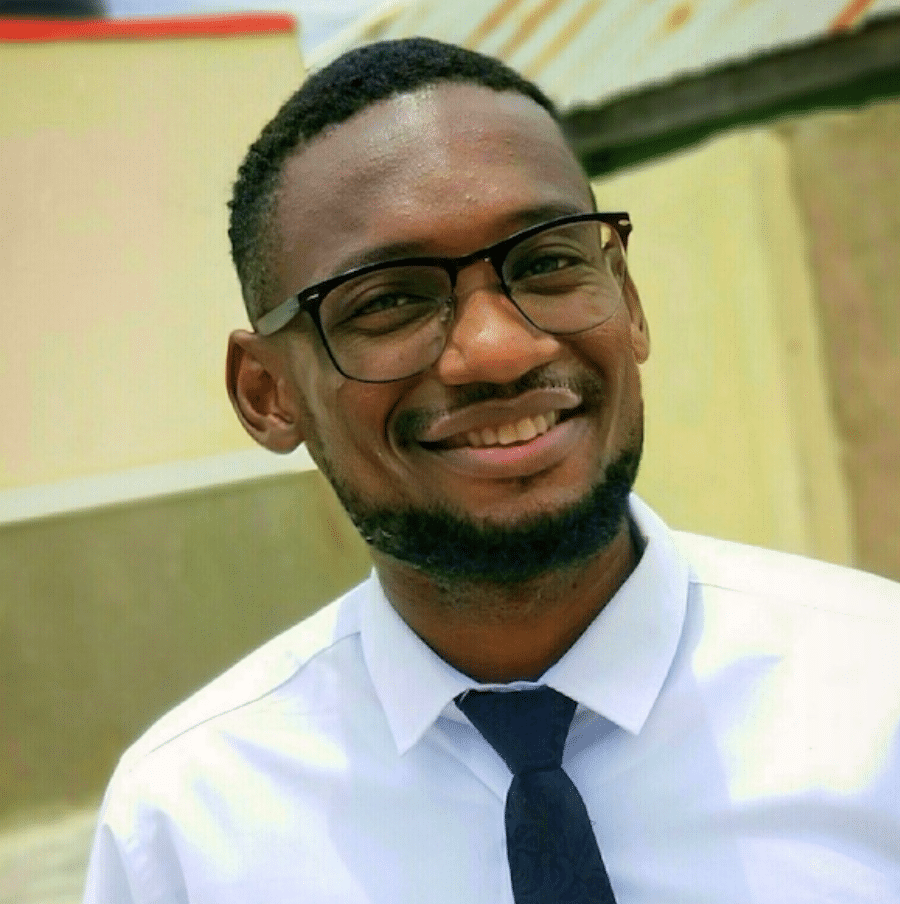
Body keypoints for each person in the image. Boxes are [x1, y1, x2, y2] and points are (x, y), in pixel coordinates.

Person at [83, 37, 900, 903]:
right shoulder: (187, 826)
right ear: (267, 394)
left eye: (547, 261)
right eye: (389, 298)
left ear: (627, 300)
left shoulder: (876, 697)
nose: (498, 348)